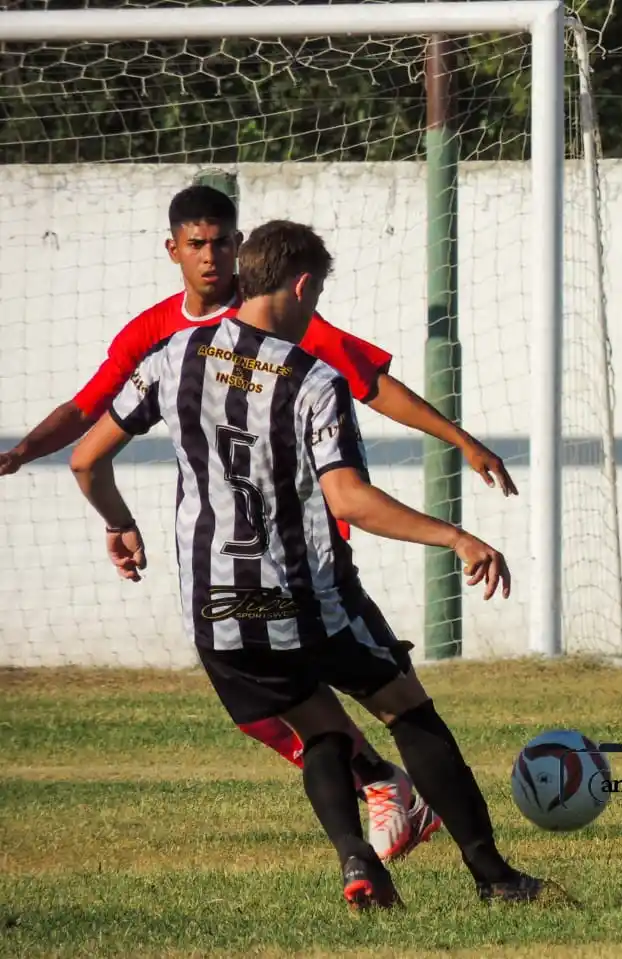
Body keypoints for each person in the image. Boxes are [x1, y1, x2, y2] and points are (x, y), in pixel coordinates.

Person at [1, 185, 515, 862]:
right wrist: (24, 452)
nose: (211, 257)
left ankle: (369, 824)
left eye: (222, 242)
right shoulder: (167, 336)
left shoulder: (204, 347)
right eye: (198, 244)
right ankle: (430, 825)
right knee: (356, 706)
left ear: (242, 248)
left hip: (252, 575)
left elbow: (371, 383)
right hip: (293, 574)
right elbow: (86, 405)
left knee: (310, 708)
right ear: (173, 250)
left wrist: (460, 439)